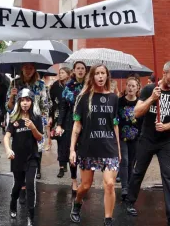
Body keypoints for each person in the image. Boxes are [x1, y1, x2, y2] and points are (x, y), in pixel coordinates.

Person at [126, 61, 170, 226]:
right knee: (138, 172)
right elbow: (137, 112)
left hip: (165, 142)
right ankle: (130, 201)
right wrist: (152, 98)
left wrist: (167, 126)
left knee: (168, 177)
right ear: (164, 73)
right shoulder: (149, 89)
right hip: (146, 139)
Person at [69, 64, 120, 226]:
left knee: (110, 184)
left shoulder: (113, 98)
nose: (100, 76)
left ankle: (108, 219)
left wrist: (118, 149)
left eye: (103, 73)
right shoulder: (83, 98)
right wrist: (72, 149)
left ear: (107, 76)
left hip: (109, 147)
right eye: (97, 73)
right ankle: (77, 203)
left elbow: (115, 125)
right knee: (85, 185)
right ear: (92, 76)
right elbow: (77, 126)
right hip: (88, 148)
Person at [6, 63, 50, 203]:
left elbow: (45, 105)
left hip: (36, 120)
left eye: (31, 68)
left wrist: (43, 121)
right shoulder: (14, 83)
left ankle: (36, 167)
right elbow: (8, 108)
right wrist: (12, 97)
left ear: (35, 69)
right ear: (22, 69)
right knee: (20, 149)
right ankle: (22, 186)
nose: (29, 70)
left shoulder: (40, 84)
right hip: (19, 121)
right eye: (26, 68)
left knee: (37, 145)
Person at [4, 88, 43, 226]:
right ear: (19, 102)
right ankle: (13, 203)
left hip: (32, 157)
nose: (25, 103)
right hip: (17, 158)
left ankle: (31, 215)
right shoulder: (14, 118)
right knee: (18, 185)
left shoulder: (36, 118)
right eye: (22, 100)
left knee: (31, 185)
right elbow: (7, 136)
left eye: (28, 100)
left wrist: (32, 127)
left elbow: (39, 138)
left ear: (32, 102)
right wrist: (8, 149)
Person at [56, 61, 87, 191]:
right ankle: (74, 180)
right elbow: (63, 107)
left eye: (82, 68)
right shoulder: (68, 86)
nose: (80, 70)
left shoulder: (90, 85)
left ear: (85, 71)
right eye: (78, 68)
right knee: (72, 150)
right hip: (71, 120)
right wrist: (59, 125)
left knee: (85, 151)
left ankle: (84, 179)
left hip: (86, 121)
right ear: (74, 71)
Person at [118, 76, 141, 200]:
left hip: (136, 137)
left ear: (137, 88)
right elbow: (115, 118)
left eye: (133, 86)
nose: (131, 88)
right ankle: (124, 187)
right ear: (125, 86)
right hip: (122, 136)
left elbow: (143, 120)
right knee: (124, 160)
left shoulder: (140, 103)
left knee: (132, 162)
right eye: (129, 85)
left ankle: (130, 186)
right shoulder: (119, 101)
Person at [49, 67, 72, 178]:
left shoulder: (72, 86)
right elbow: (51, 100)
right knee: (60, 140)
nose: (61, 75)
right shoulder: (55, 86)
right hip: (57, 114)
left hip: (69, 117)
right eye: (60, 73)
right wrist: (51, 116)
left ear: (68, 74)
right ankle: (61, 166)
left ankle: (68, 161)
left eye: (63, 73)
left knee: (68, 141)